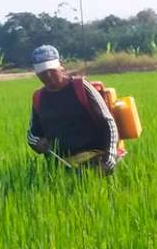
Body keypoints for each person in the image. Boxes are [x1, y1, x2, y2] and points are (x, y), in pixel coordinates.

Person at [26, 45, 120, 174]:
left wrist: (110, 157)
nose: (47, 75)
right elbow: (32, 135)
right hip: (61, 165)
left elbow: (108, 122)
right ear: (36, 73)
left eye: (51, 69)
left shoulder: (80, 87)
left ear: (61, 65)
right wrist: (37, 143)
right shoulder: (39, 97)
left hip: (96, 160)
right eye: (42, 71)